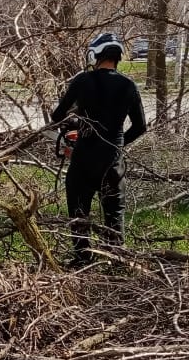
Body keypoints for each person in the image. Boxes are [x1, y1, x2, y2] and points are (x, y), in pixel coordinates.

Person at [51, 32, 147, 266]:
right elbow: (140, 126)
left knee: (79, 209)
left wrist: (76, 123)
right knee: (114, 212)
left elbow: (57, 115)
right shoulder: (128, 85)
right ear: (117, 57)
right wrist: (118, 142)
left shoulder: (83, 80)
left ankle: (82, 258)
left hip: (83, 157)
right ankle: (115, 260)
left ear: (95, 54)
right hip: (112, 160)